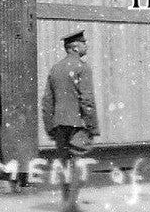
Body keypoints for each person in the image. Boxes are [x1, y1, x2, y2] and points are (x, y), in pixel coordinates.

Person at [41, 30, 99, 212]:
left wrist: (49, 126)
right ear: (74, 47)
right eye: (84, 43)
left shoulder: (55, 68)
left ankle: (67, 201)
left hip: (59, 124)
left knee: (65, 162)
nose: (86, 46)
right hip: (78, 124)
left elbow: (47, 101)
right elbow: (87, 100)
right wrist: (92, 126)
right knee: (78, 162)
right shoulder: (83, 68)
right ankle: (71, 206)